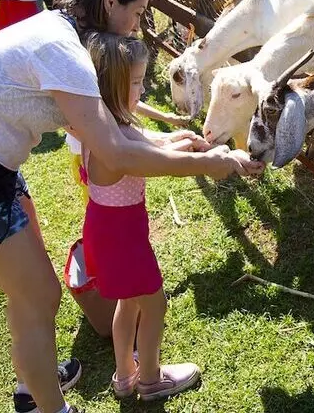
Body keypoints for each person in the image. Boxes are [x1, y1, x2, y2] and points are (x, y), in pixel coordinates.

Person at [0, 0, 263, 413]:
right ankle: (48, 405)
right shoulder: (64, 52)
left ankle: (32, 383)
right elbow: (116, 150)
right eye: (136, 14)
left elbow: (106, 127)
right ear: (112, 0)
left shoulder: (62, 36)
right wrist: (210, 163)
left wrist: (170, 140)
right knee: (38, 296)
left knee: (30, 297)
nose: (137, 27)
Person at [81, 32, 215, 401]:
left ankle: (125, 376)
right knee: (155, 304)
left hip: (108, 232)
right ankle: (152, 379)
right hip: (123, 239)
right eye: (137, 82)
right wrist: (206, 159)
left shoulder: (106, 127)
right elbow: (157, 160)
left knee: (129, 302)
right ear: (113, 85)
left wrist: (182, 139)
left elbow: (151, 144)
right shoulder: (118, 137)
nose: (142, 90)